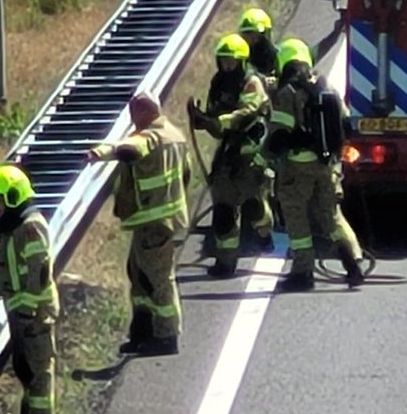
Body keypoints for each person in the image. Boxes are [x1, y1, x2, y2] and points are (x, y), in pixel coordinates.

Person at [87, 91, 191, 355]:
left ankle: (166, 336)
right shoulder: (176, 136)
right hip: (164, 220)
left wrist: (99, 153)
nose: (132, 121)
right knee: (138, 274)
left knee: (158, 278)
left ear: (143, 112)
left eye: (134, 115)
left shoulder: (150, 136)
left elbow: (132, 148)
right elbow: (186, 174)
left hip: (153, 222)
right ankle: (143, 331)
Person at [263, 37, 365, 292]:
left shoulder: (287, 93)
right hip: (326, 165)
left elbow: (279, 135)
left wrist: (260, 159)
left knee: (296, 219)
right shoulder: (325, 85)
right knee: (331, 217)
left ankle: (302, 273)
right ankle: (353, 265)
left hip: (297, 169)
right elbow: (345, 123)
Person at [0, 163, 59, 414]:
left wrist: (26, 307)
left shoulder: (30, 226)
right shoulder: (10, 227)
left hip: (34, 310)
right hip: (19, 309)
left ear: (13, 196)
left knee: (39, 369)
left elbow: (39, 270)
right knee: (24, 367)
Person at [187, 34, 273, 277]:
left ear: (242, 62)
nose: (227, 66)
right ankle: (226, 263)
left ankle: (264, 232)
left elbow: (246, 112)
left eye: (231, 62)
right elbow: (217, 119)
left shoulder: (251, 82)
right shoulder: (218, 82)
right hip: (227, 153)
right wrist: (202, 120)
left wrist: (218, 122)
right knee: (223, 211)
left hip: (250, 152)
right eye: (223, 61)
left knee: (253, 206)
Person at [236, 7, 279, 83]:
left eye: (255, 36)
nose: (252, 41)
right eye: (246, 35)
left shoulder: (280, 59)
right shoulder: (240, 64)